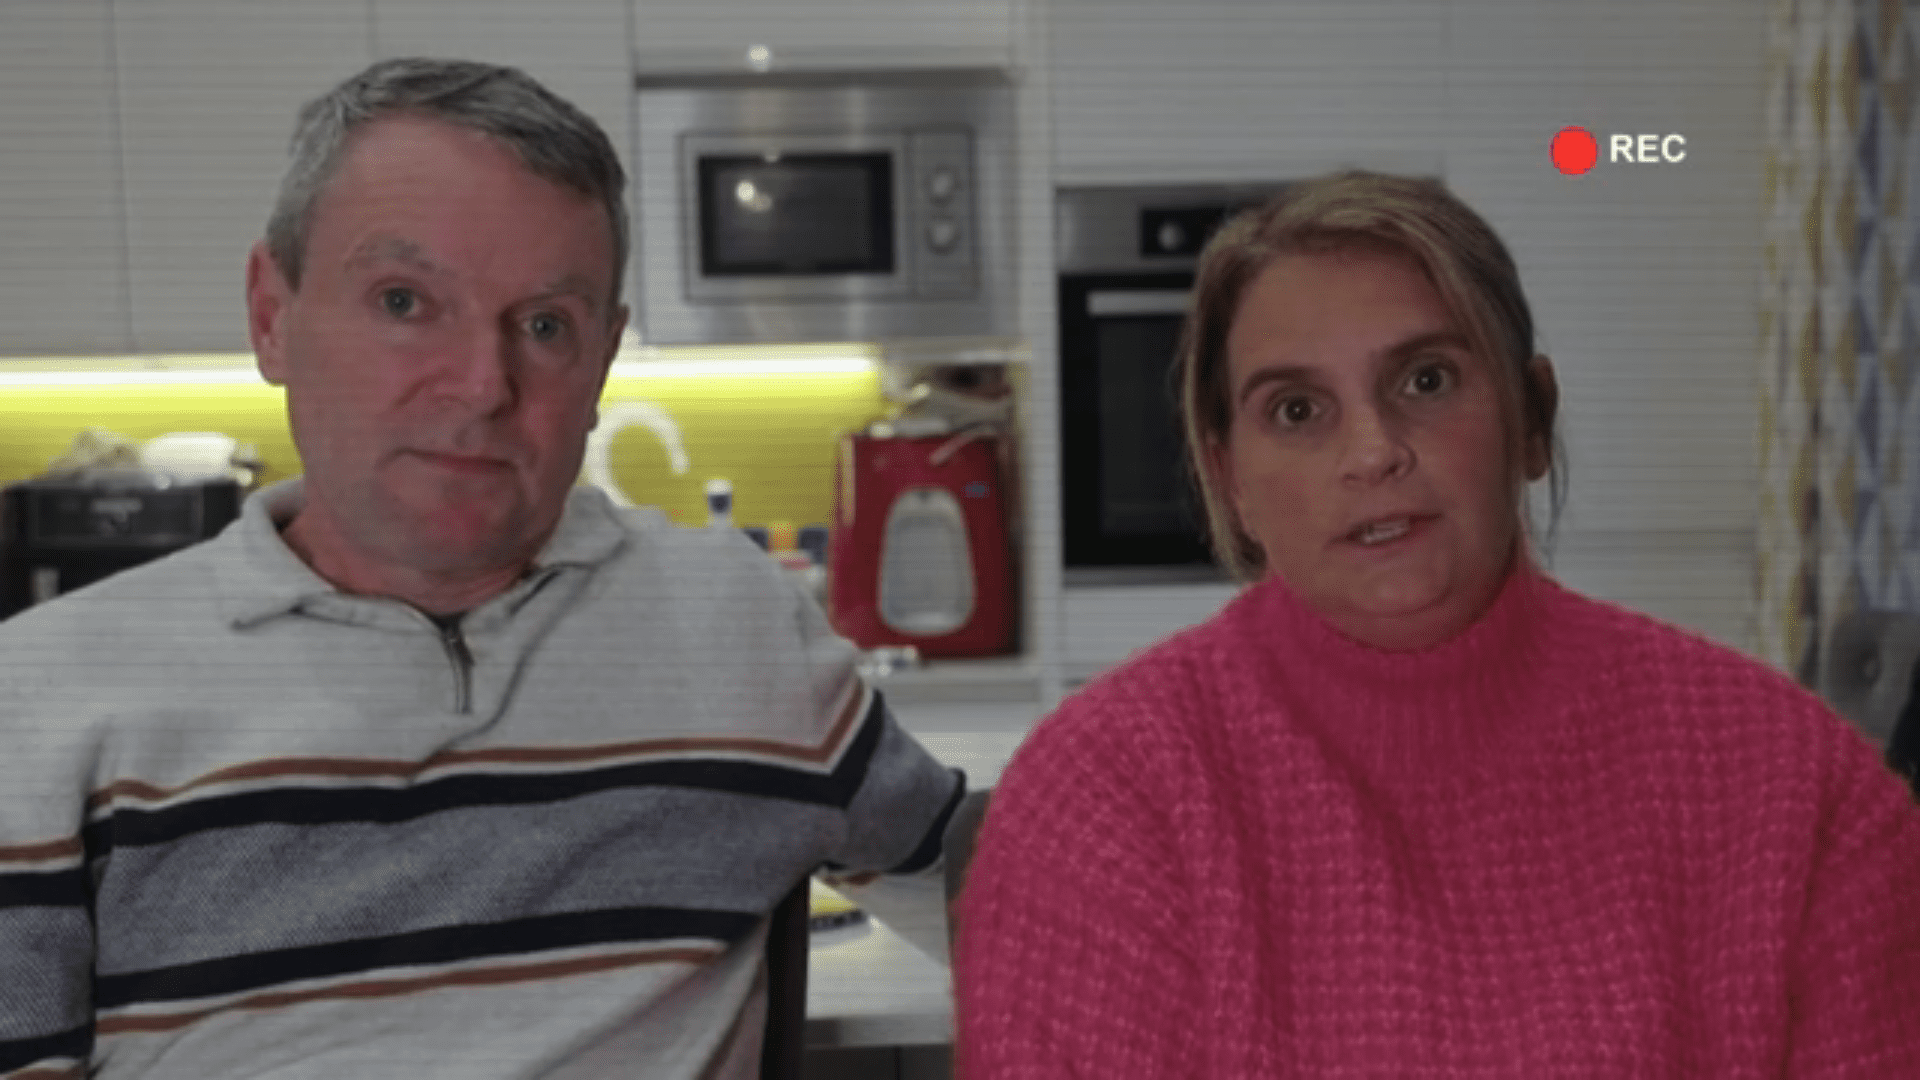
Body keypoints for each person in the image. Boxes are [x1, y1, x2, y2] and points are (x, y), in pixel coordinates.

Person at [0, 58, 965, 1078]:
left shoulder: (739, 626)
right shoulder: (39, 697)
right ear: (271, 314)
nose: (481, 386)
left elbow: (1020, 912)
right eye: (405, 300)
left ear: (600, 361)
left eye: (545, 325)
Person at [953, 171, 1920, 1075]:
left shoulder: (1799, 791)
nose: (1372, 453)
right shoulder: (1103, 800)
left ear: (1532, 417)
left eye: (1425, 381)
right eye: (1296, 409)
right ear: (1227, 477)